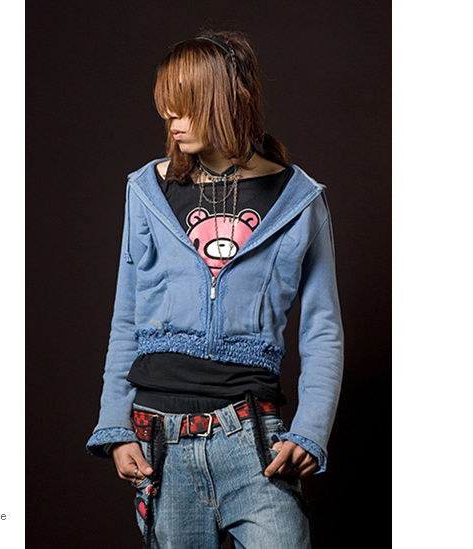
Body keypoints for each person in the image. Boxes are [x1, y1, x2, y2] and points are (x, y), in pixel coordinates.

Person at [86, 30, 343, 548]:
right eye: (166, 106)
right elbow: (126, 315)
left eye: (184, 105)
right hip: (161, 440)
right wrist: (114, 424)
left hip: (254, 442)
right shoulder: (146, 191)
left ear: (226, 101)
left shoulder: (299, 200)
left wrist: (310, 430)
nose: (170, 119)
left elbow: (322, 329)